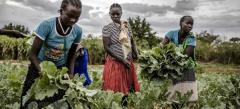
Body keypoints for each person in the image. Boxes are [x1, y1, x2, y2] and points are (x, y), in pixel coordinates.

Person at [20, 0, 82, 108]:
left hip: (59, 70)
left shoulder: (78, 31)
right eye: (69, 16)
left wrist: (70, 73)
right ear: (61, 11)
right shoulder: (47, 25)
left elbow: (72, 55)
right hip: (38, 66)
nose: (73, 20)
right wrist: (42, 71)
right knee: (29, 99)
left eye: (76, 17)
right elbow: (32, 54)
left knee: (53, 102)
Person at [102, 3, 140, 106]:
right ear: (109, 14)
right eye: (112, 14)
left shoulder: (126, 25)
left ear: (121, 13)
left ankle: (125, 106)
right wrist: (121, 60)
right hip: (116, 62)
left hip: (127, 60)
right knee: (115, 90)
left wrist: (136, 52)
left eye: (117, 14)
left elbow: (132, 41)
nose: (115, 16)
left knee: (126, 89)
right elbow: (107, 48)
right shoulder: (107, 28)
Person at [163, 16, 198, 102]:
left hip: (187, 65)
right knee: (173, 90)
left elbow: (186, 55)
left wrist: (170, 55)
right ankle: (173, 103)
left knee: (188, 91)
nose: (190, 26)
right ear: (181, 23)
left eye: (191, 24)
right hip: (173, 65)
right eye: (187, 23)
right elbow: (162, 47)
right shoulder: (171, 33)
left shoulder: (192, 38)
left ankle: (187, 104)